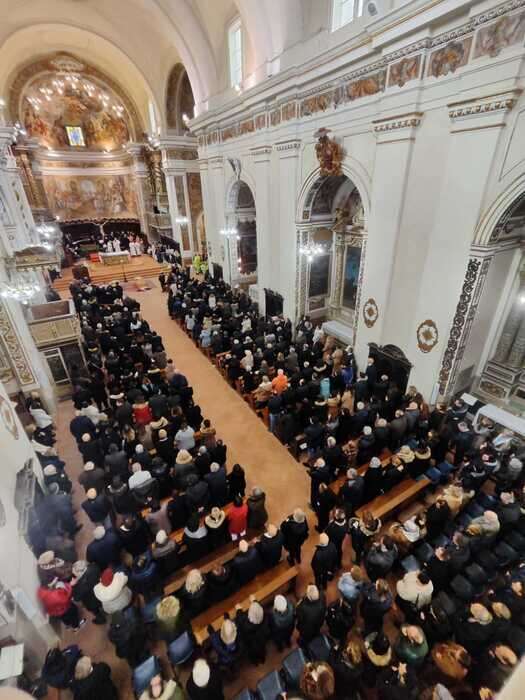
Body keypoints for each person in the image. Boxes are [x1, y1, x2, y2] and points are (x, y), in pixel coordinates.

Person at [235, 598, 270, 665]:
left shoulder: (245, 625)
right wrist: (255, 601)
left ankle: (255, 663)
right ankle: (262, 660)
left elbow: (240, 620)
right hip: (261, 643)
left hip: (251, 647)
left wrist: (239, 610)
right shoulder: (265, 620)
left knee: (252, 656)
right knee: (262, 652)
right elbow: (259, 611)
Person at [71, 560, 106, 625]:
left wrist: (73, 586)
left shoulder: (79, 585)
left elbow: (76, 598)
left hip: (92, 602)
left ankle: (101, 619)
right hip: (102, 593)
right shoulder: (94, 568)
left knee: (96, 611)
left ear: (79, 573)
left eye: (74, 573)